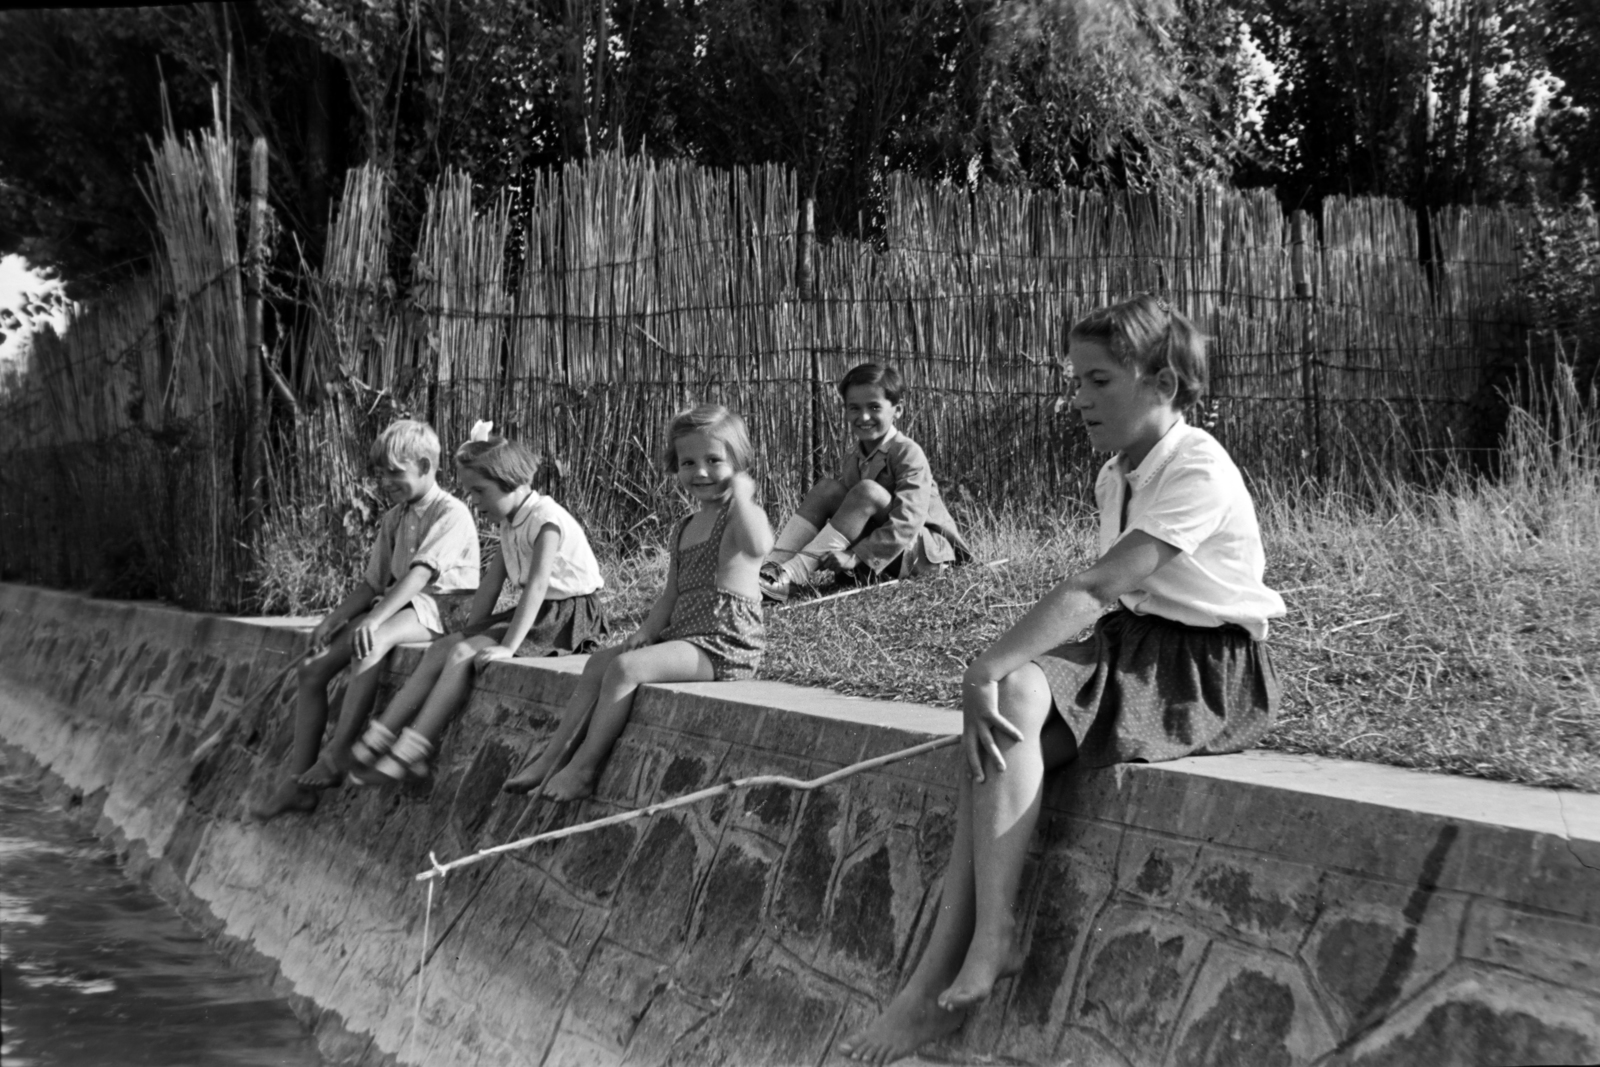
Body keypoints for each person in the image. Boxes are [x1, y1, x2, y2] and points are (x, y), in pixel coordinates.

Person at [839, 295, 1285, 1064]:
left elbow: (1100, 586)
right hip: (1136, 647)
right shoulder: (1118, 472)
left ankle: (978, 947)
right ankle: (947, 973)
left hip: (1203, 669)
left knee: (1004, 700)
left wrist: (986, 664)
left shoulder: (1198, 466)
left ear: (1163, 384)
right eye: (1075, 380)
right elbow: (1113, 609)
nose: (1078, 397)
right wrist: (1006, 675)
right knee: (994, 744)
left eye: (1098, 380)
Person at [502, 404, 773, 801]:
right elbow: (672, 594)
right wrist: (647, 631)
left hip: (725, 645)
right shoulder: (684, 527)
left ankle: (584, 768)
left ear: (739, 462)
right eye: (688, 462)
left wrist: (745, 497)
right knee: (599, 663)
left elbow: (760, 546)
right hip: (686, 636)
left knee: (626, 669)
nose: (700, 471)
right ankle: (551, 758)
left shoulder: (738, 517)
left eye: (714, 460)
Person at [346, 432, 609, 785]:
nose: (474, 501)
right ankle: (377, 738)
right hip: (541, 610)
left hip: (567, 615)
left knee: (460, 655)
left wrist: (507, 647)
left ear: (510, 482)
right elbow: (491, 584)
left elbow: (536, 586)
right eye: (470, 492)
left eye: (480, 491)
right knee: (443, 648)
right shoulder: (510, 520)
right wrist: (470, 631)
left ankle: (410, 751)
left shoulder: (545, 519)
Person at [251, 419, 479, 820]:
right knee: (312, 670)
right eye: (381, 474)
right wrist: (335, 618)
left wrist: (375, 620)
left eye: (395, 472)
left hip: (443, 610)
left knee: (370, 640)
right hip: (403, 607)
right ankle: (298, 783)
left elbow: (420, 576)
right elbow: (373, 582)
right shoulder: (394, 518)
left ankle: (339, 753)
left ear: (425, 467)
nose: (385, 482)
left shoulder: (451, 513)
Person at [759, 362, 969, 603]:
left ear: (898, 410)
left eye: (874, 407)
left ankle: (795, 573)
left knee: (867, 491)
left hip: (921, 556)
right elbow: (851, 517)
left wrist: (856, 556)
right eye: (854, 408)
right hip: (884, 557)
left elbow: (909, 519)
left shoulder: (907, 452)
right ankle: (771, 569)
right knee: (827, 488)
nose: (864, 417)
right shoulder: (854, 456)